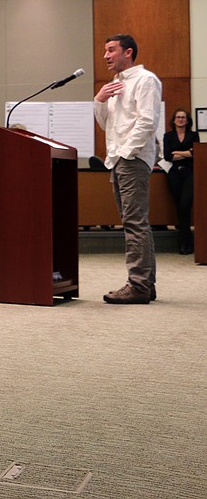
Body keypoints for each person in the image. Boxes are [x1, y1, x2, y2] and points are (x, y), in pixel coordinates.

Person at [95, 34, 162, 305]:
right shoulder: (114, 84)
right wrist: (99, 100)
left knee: (135, 223)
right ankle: (146, 285)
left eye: (111, 50)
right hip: (118, 159)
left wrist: (126, 153)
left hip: (131, 159)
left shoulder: (145, 80)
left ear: (128, 52)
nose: (106, 56)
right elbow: (106, 124)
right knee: (134, 222)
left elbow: (147, 122)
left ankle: (138, 285)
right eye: (105, 51)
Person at [163, 107, 198, 255]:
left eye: (183, 117)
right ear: (174, 120)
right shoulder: (168, 136)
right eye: (178, 117)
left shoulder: (193, 135)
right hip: (175, 174)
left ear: (187, 120)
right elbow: (168, 156)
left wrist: (177, 152)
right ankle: (184, 241)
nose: (181, 120)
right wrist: (187, 153)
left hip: (190, 173)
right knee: (179, 206)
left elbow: (195, 153)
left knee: (185, 205)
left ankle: (186, 241)